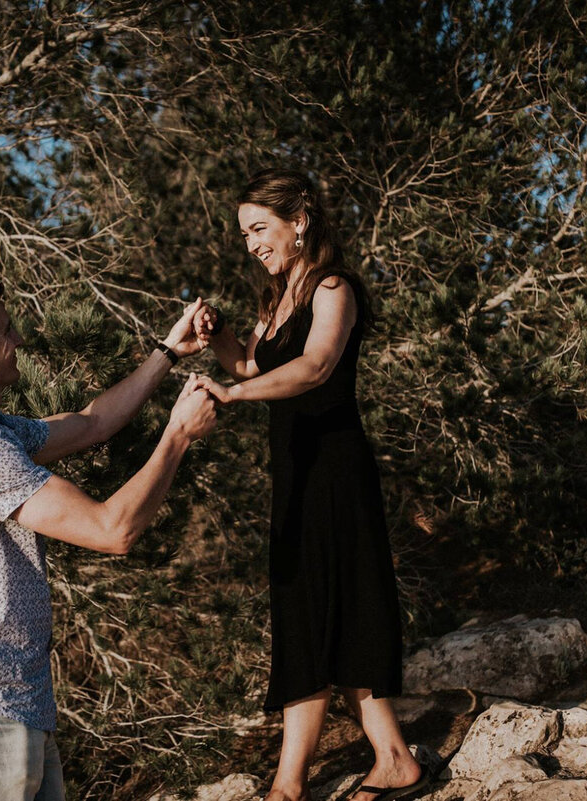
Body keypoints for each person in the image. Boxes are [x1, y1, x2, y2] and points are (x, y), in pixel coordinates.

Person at [0, 270, 217, 800]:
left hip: (10, 699)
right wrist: (178, 435)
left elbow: (92, 423)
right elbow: (112, 530)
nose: (19, 339)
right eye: (6, 330)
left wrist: (168, 351)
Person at [192, 169, 426, 801]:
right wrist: (222, 341)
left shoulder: (333, 288)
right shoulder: (276, 301)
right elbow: (248, 364)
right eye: (243, 234)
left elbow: (317, 366)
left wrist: (235, 392)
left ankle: (287, 786)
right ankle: (395, 758)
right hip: (294, 477)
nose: (250, 244)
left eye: (259, 229)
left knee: (321, 611)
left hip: (335, 474)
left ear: (299, 222)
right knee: (319, 612)